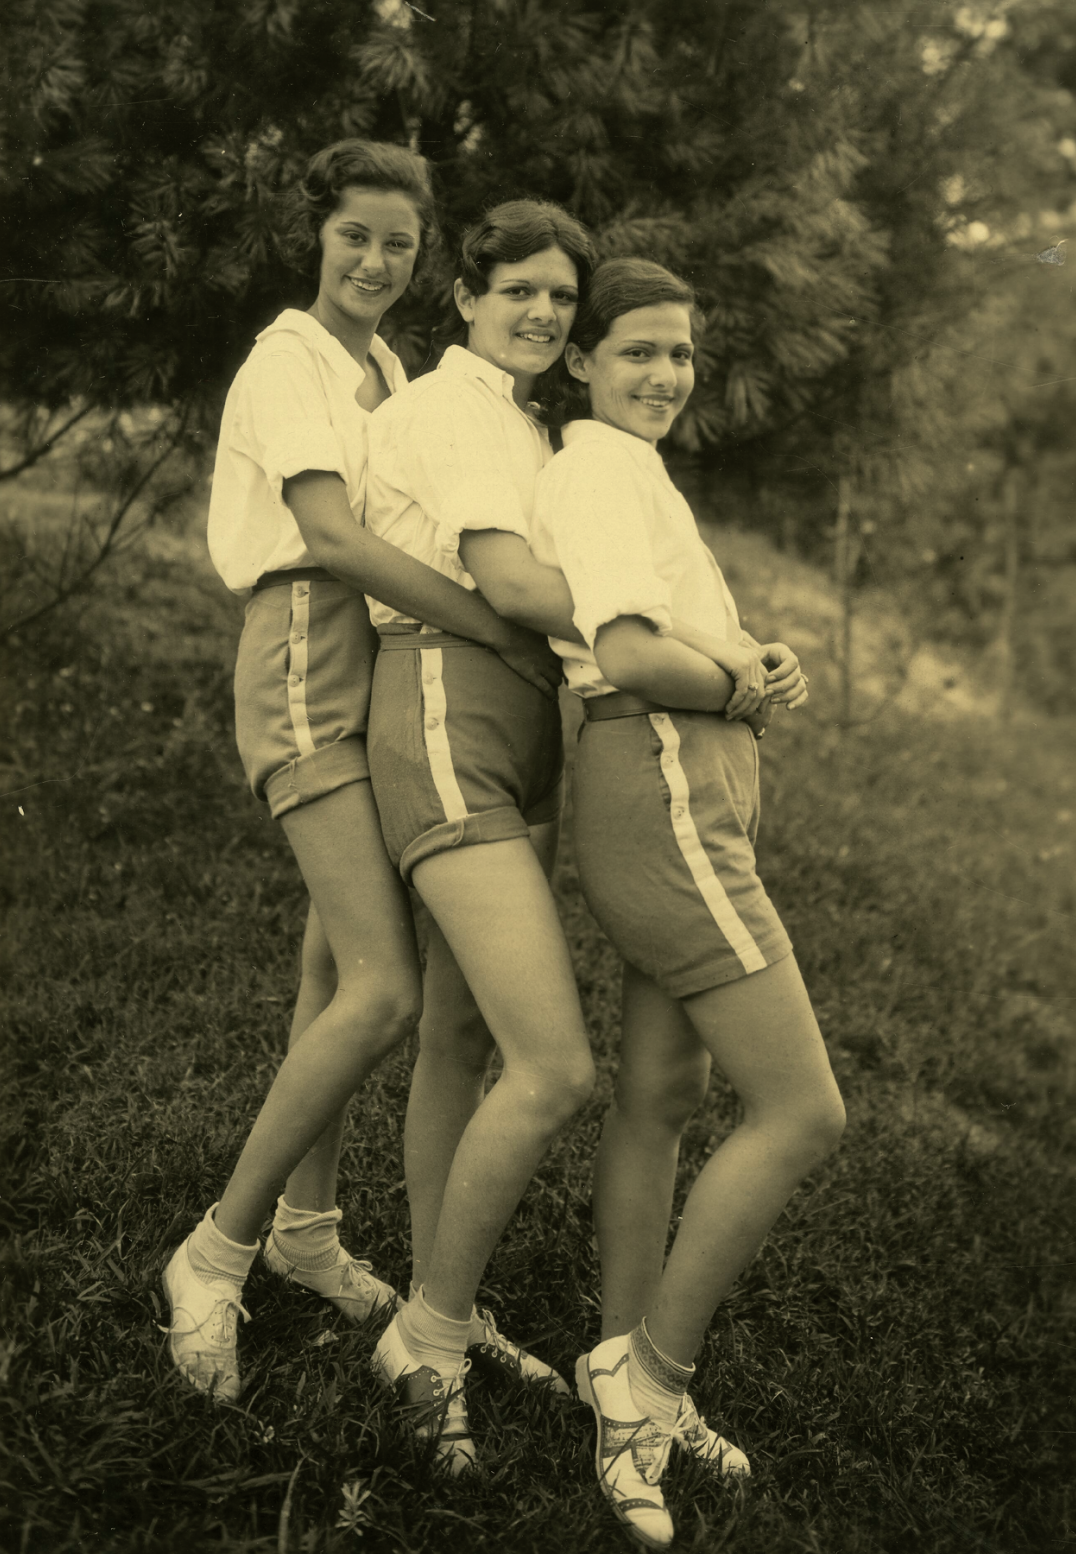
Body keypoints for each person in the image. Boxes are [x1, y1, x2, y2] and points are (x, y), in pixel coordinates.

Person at [162, 141, 560, 1404]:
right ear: (316, 237)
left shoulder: (385, 367)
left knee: (334, 968)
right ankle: (212, 1253)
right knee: (384, 987)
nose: (376, 263)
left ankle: (306, 1236)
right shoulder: (287, 363)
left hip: (381, 664)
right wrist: (492, 621)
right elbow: (329, 535)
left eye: (398, 243)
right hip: (303, 656)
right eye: (355, 238)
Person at [529, 257, 846, 1548]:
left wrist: (745, 650)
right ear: (583, 360)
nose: (664, 374)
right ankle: (647, 1374)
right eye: (638, 351)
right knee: (805, 1108)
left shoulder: (634, 469)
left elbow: (674, 627)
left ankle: (625, 1387)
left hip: (685, 783)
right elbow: (623, 649)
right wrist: (743, 684)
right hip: (662, 788)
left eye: (681, 354)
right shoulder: (596, 467)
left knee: (662, 1099)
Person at [360, 201, 602, 1472]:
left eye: (561, 299)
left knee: (461, 1036)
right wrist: (664, 617)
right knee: (553, 1065)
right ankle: (430, 1337)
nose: (543, 314)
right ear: (464, 295)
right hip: (446, 714)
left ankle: (433, 1298)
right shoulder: (452, 410)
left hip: (516, 725)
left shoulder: (523, 419)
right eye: (518, 290)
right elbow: (510, 590)